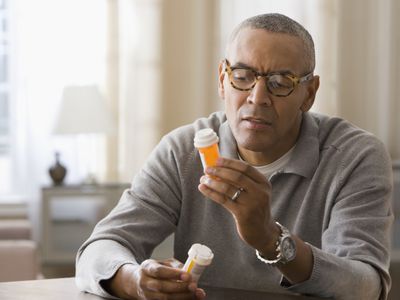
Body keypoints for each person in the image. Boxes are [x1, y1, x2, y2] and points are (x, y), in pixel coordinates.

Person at [75, 13, 393, 300]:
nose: (257, 98)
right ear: (222, 80)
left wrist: (271, 240)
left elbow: (366, 287)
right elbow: (98, 250)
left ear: (308, 93)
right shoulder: (183, 150)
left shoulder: (355, 156)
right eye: (242, 76)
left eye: (281, 83)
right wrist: (136, 282)